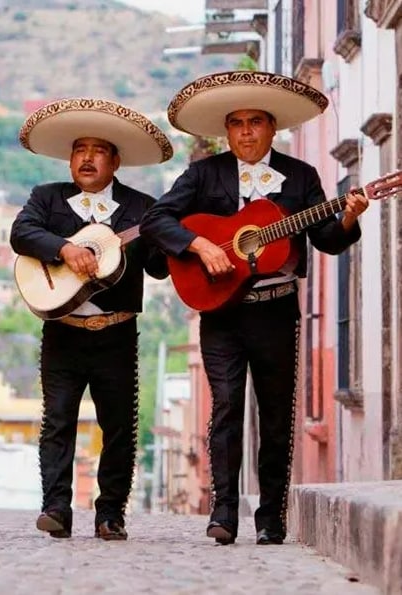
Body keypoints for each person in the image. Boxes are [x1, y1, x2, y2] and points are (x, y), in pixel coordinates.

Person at [141, 71, 368, 545]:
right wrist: (201, 245)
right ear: (227, 131)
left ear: (272, 128)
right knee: (225, 407)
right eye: (237, 123)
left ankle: (271, 519)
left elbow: (326, 239)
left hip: (276, 310)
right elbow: (156, 220)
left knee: (277, 414)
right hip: (220, 310)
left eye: (256, 122)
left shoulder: (301, 177)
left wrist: (347, 216)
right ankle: (223, 514)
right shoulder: (205, 174)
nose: (246, 132)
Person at [10, 98, 173, 540]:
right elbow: (21, 233)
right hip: (62, 330)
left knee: (119, 426)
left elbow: (158, 267)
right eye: (79, 149)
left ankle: (110, 514)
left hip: (117, 332)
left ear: (115, 160)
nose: (86, 158)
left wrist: (173, 237)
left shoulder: (143, 208)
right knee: (57, 420)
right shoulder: (47, 198)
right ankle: (56, 509)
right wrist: (65, 249)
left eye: (98, 150)